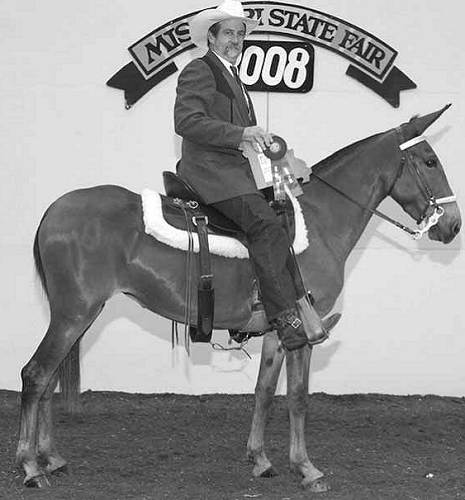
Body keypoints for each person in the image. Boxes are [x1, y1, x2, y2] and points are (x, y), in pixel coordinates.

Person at [174, 0, 336, 351]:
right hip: (211, 173)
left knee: (282, 213)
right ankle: (284, 320)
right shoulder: (200, 70)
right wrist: (242, 134)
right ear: (212, 37)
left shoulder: (235, 78)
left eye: (240, 34)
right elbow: (186, 122)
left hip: (237, 172)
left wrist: (279, 157)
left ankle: (272, 307)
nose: (235, 40)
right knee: (266, 226)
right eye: (228, 33)